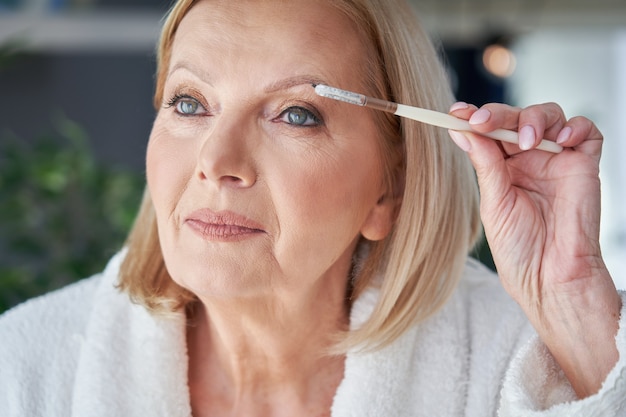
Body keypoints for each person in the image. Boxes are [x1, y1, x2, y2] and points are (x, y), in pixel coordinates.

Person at [1, 0, 624, 415]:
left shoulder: (507, 364)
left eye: (295, 114)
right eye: (189, 103)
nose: (218, 160)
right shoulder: (26, 370)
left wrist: (573, 303)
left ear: (390, 191)